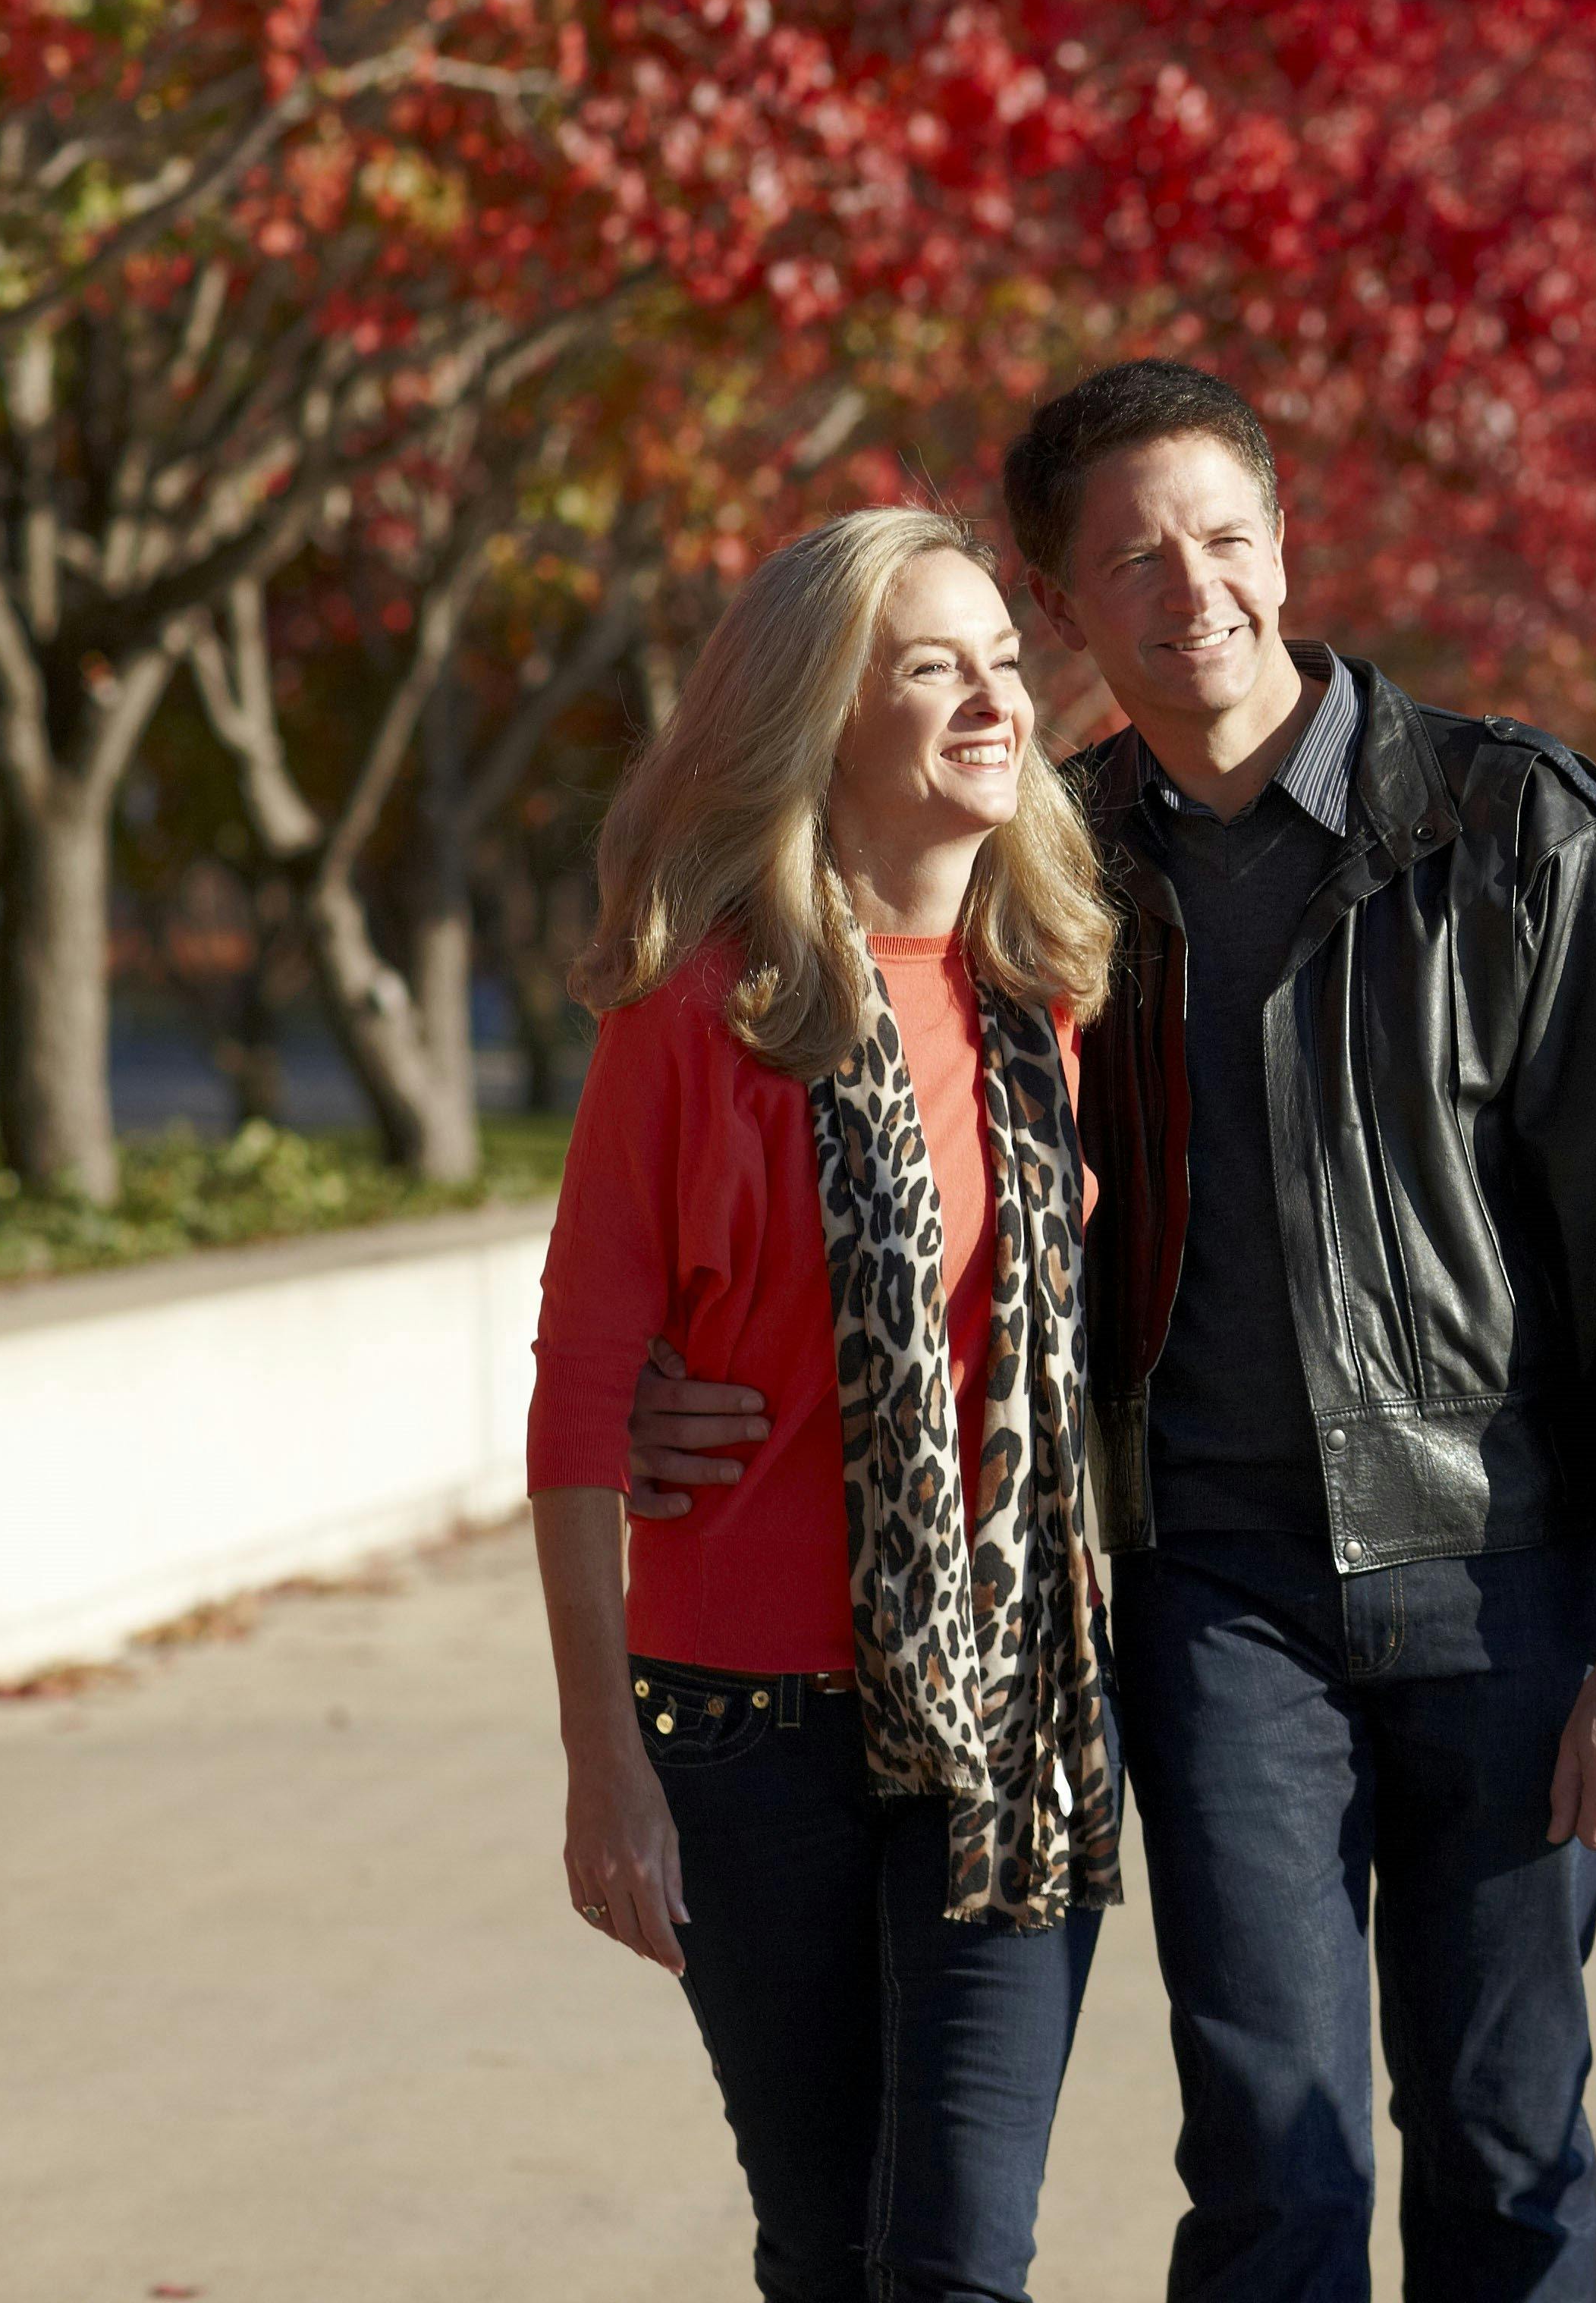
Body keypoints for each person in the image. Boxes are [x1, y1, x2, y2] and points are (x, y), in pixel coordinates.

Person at [631, 360, 1596, 2302]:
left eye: (1226, 536)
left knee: (1500, 2138)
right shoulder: (1039, 868)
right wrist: (659, 1374)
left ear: (1286, 549)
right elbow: (876, 1160)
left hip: (1504, 1571)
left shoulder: (1516, 828)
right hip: (1212, 1586)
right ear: (1063, 605)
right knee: (1264, 2140)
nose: (1193, 586)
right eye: (1132, 555)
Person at [525, 509, 1123, 2303]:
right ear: (818, 710)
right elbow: (572, 1401)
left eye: (1003, 663)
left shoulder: (1064, 997)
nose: (991, 699)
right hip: (740, 1730)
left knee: (954, 2258)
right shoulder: (700, 1012)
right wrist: (599, 1760)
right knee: (827, 2243)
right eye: (934, 665)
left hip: (1012, 1718)